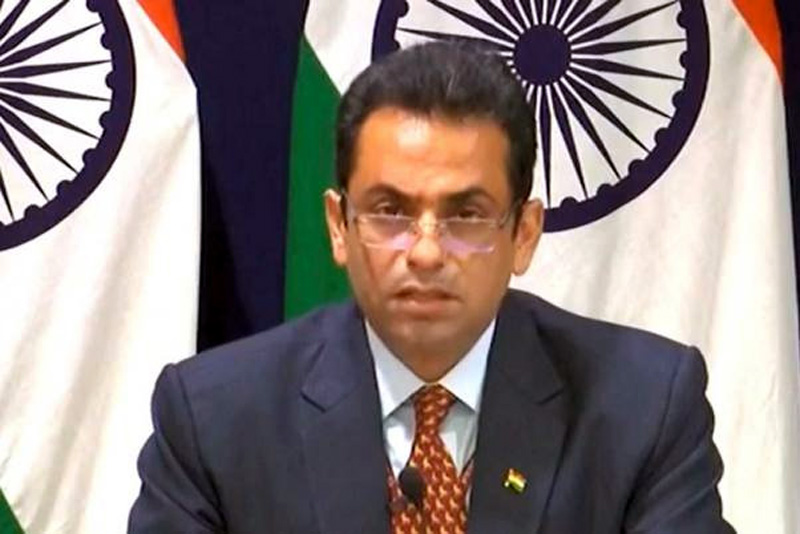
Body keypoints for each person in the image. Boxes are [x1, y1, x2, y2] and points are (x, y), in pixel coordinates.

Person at [128, 42, 735, 533]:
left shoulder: (643, 407)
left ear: (523, 234)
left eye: (466, 216)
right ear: (339, 226)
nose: (424, 251)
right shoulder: (216, 419)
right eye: (390, 211)